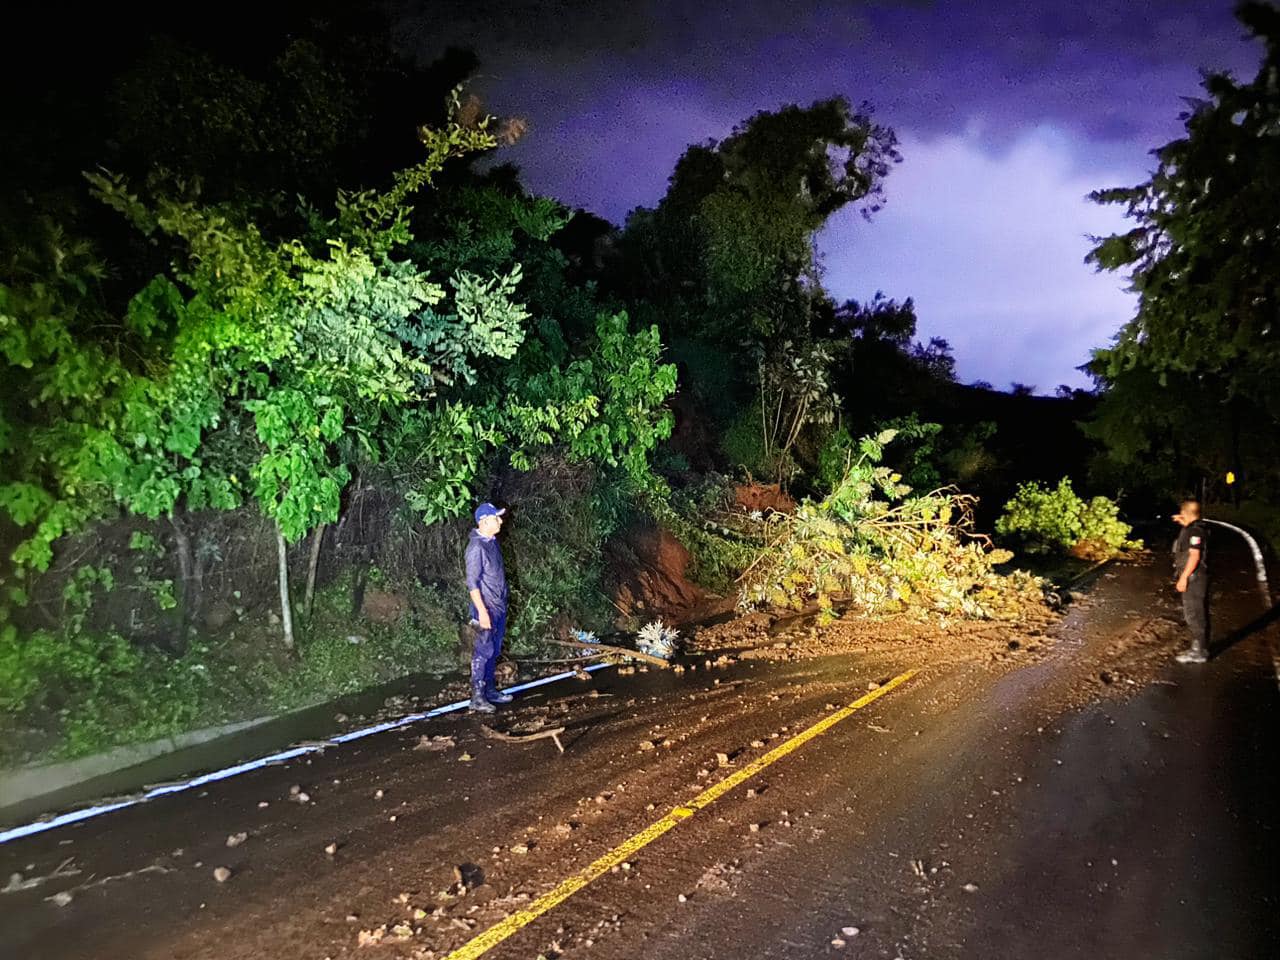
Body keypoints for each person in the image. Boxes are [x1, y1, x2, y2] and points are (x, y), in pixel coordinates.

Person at [464, 502, 512, 712]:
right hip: (485, 609)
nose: (500, 521)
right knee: (483, 651)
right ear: (484, 522)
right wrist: (482, 612)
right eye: (496, 518)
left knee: (494, 650)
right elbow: (472, 583)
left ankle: (490, 690)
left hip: (498, 606)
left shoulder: (491, 542)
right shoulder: (476, 547)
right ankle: (477, 697)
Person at [1171, 499, 1211, 664]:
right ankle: (1199, 648)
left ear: (1186, 513)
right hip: (1195, 577)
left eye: (1182, 513)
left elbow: (1194, 556)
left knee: (1194, 614)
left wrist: (1183, 578)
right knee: (1194, 613)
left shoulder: (1196, 532)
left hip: (1195, 578)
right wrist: (1183, 523)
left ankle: (1199, 652)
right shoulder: (1195, 528)